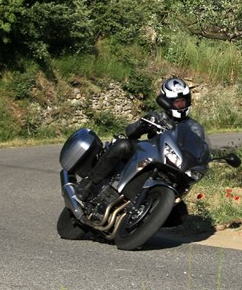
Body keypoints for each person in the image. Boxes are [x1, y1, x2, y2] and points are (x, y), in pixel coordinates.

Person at [76, 77, 206, 201]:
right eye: (177, 102)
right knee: (123, 145)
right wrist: (143, 124)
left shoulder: (195, 127)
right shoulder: (158, 116)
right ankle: (89, 183)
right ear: (167, 102)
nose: (181, 105)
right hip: (150, 152)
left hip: (174, 165)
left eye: (184, 101)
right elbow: (130, 132)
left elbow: (198, 150)